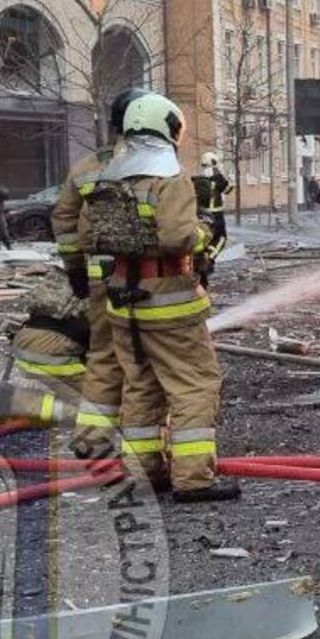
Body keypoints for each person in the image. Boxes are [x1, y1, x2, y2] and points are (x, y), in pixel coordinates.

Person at [86, 91, 238, 504]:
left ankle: (144, 474)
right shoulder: (169, 180)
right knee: (195, 385)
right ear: (167, 129)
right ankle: (193, 480)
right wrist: (205, 230)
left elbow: (90, 237)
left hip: (124, 304)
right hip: (169, 302)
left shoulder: (109, 178)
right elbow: (177, 238)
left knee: (141, 387)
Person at [51, 87, 145, 456]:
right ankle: (144, 450)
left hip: (98, 279)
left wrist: (75, 269)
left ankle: (92, 440)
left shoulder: (88, 167)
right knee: (143, 361)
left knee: (103, 356)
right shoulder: (154, 167)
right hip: (144, 279)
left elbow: (63, 219)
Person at [0, 274, 89, 427]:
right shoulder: (113, 289)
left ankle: (19, 398)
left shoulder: (79, 274)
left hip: (27, 338)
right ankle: (18, 403)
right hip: (52, 349)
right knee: (100, 414)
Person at [195, 152, 230, 249]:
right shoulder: (218, 177)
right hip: (217, 214)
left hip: (202, 214)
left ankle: (203, 258)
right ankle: (210, 259)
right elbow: (227, 190)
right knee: (221, 238)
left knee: (206, 237)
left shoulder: (198, 178)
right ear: (214, 162)